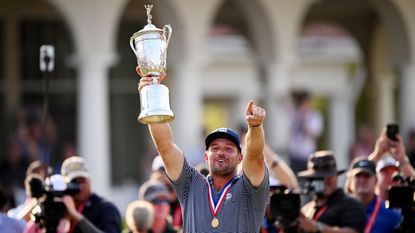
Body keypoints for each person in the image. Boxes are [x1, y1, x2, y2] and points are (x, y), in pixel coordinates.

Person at [137, 72, 269, 232]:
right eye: (215, 148)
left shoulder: (249, 188)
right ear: (205, 156)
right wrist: (152, 95)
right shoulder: (190, 183)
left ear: (240, 157)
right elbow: (165, 146)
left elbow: (255, 156)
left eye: (228, 148)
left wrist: (255, 127)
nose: (221, 152)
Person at [297, 151, 366, 233]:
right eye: (320, 178)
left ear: (336, 176)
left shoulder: (351, 205)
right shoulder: (307, 209)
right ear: (311, 180)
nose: (325, 181)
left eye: (329, 176)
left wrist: (318, 227)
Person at [58, 156, 122, 233]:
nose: (79, 187)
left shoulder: (106, 209)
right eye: (74, 182)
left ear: (89, 180)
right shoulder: (58, 208)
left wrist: (76, 217)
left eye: (82, 180)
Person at [347, 158, 402, 233]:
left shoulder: (391, 215)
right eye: (358, 176)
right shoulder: (341, 211)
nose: (362, 180)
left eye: (367, 176)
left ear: (376, 180)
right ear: (350, 181)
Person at [289, 90, 324, 174]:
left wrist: (304, 122)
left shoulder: (315, 116)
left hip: (308, 154)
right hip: (295, 154)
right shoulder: (295, 114)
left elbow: (315, 135)